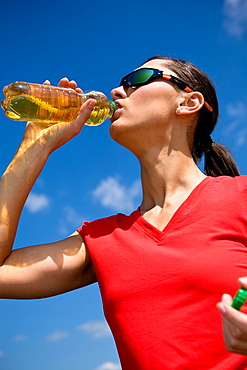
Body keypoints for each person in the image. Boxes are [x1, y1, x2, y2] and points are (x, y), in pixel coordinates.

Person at [0, 55, 247, 369]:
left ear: (188, 102)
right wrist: (35, 147)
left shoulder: (241, 196)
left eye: (139, 80)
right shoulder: (102, 239)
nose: (117, 91)